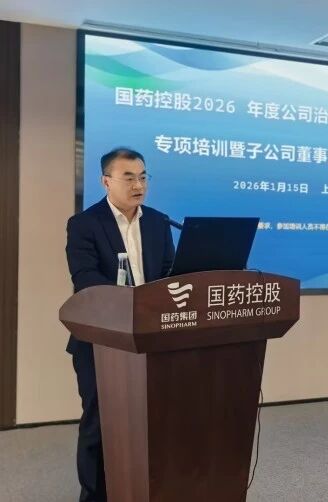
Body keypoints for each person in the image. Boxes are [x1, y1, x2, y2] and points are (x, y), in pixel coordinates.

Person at [65, 148, 174, 501]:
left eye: (143, 177)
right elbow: (85, 278)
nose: (138, 185)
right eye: (129, 178)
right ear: (106, 181)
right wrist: (132, 302)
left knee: (153, 422)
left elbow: (170, 273)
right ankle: (94, 496)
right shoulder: (84, 224)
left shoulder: (158, 222)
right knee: (100, 423)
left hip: (151, 339)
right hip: (101, 341)